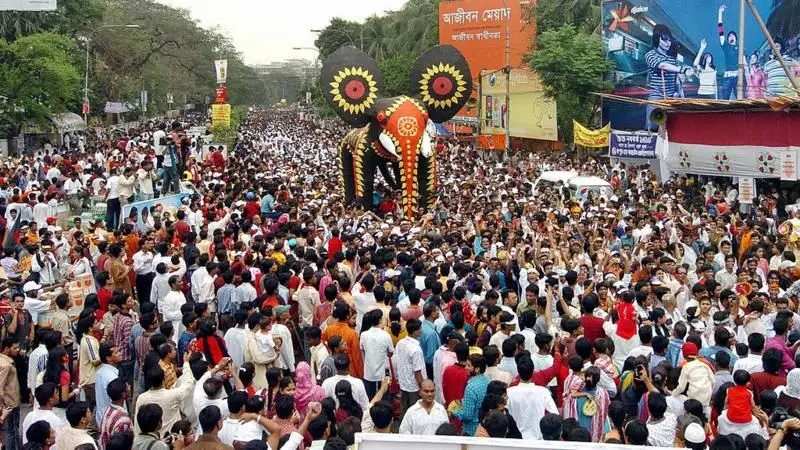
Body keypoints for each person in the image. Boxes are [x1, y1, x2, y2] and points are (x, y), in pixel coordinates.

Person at [393, 319, 426, 415]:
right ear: (415, 331)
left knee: (404, 410)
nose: (421, 331)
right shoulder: (416, 349)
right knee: (415, 412)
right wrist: (422, 388)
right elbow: (417, 372)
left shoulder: (400, 343)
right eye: (420, 329)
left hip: (403, 384)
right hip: (414, 387)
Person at [99, 378, 133, 450]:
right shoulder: (123, 420)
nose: (130, 387)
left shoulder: (108, 410)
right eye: (127, 387)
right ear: (123, 394)